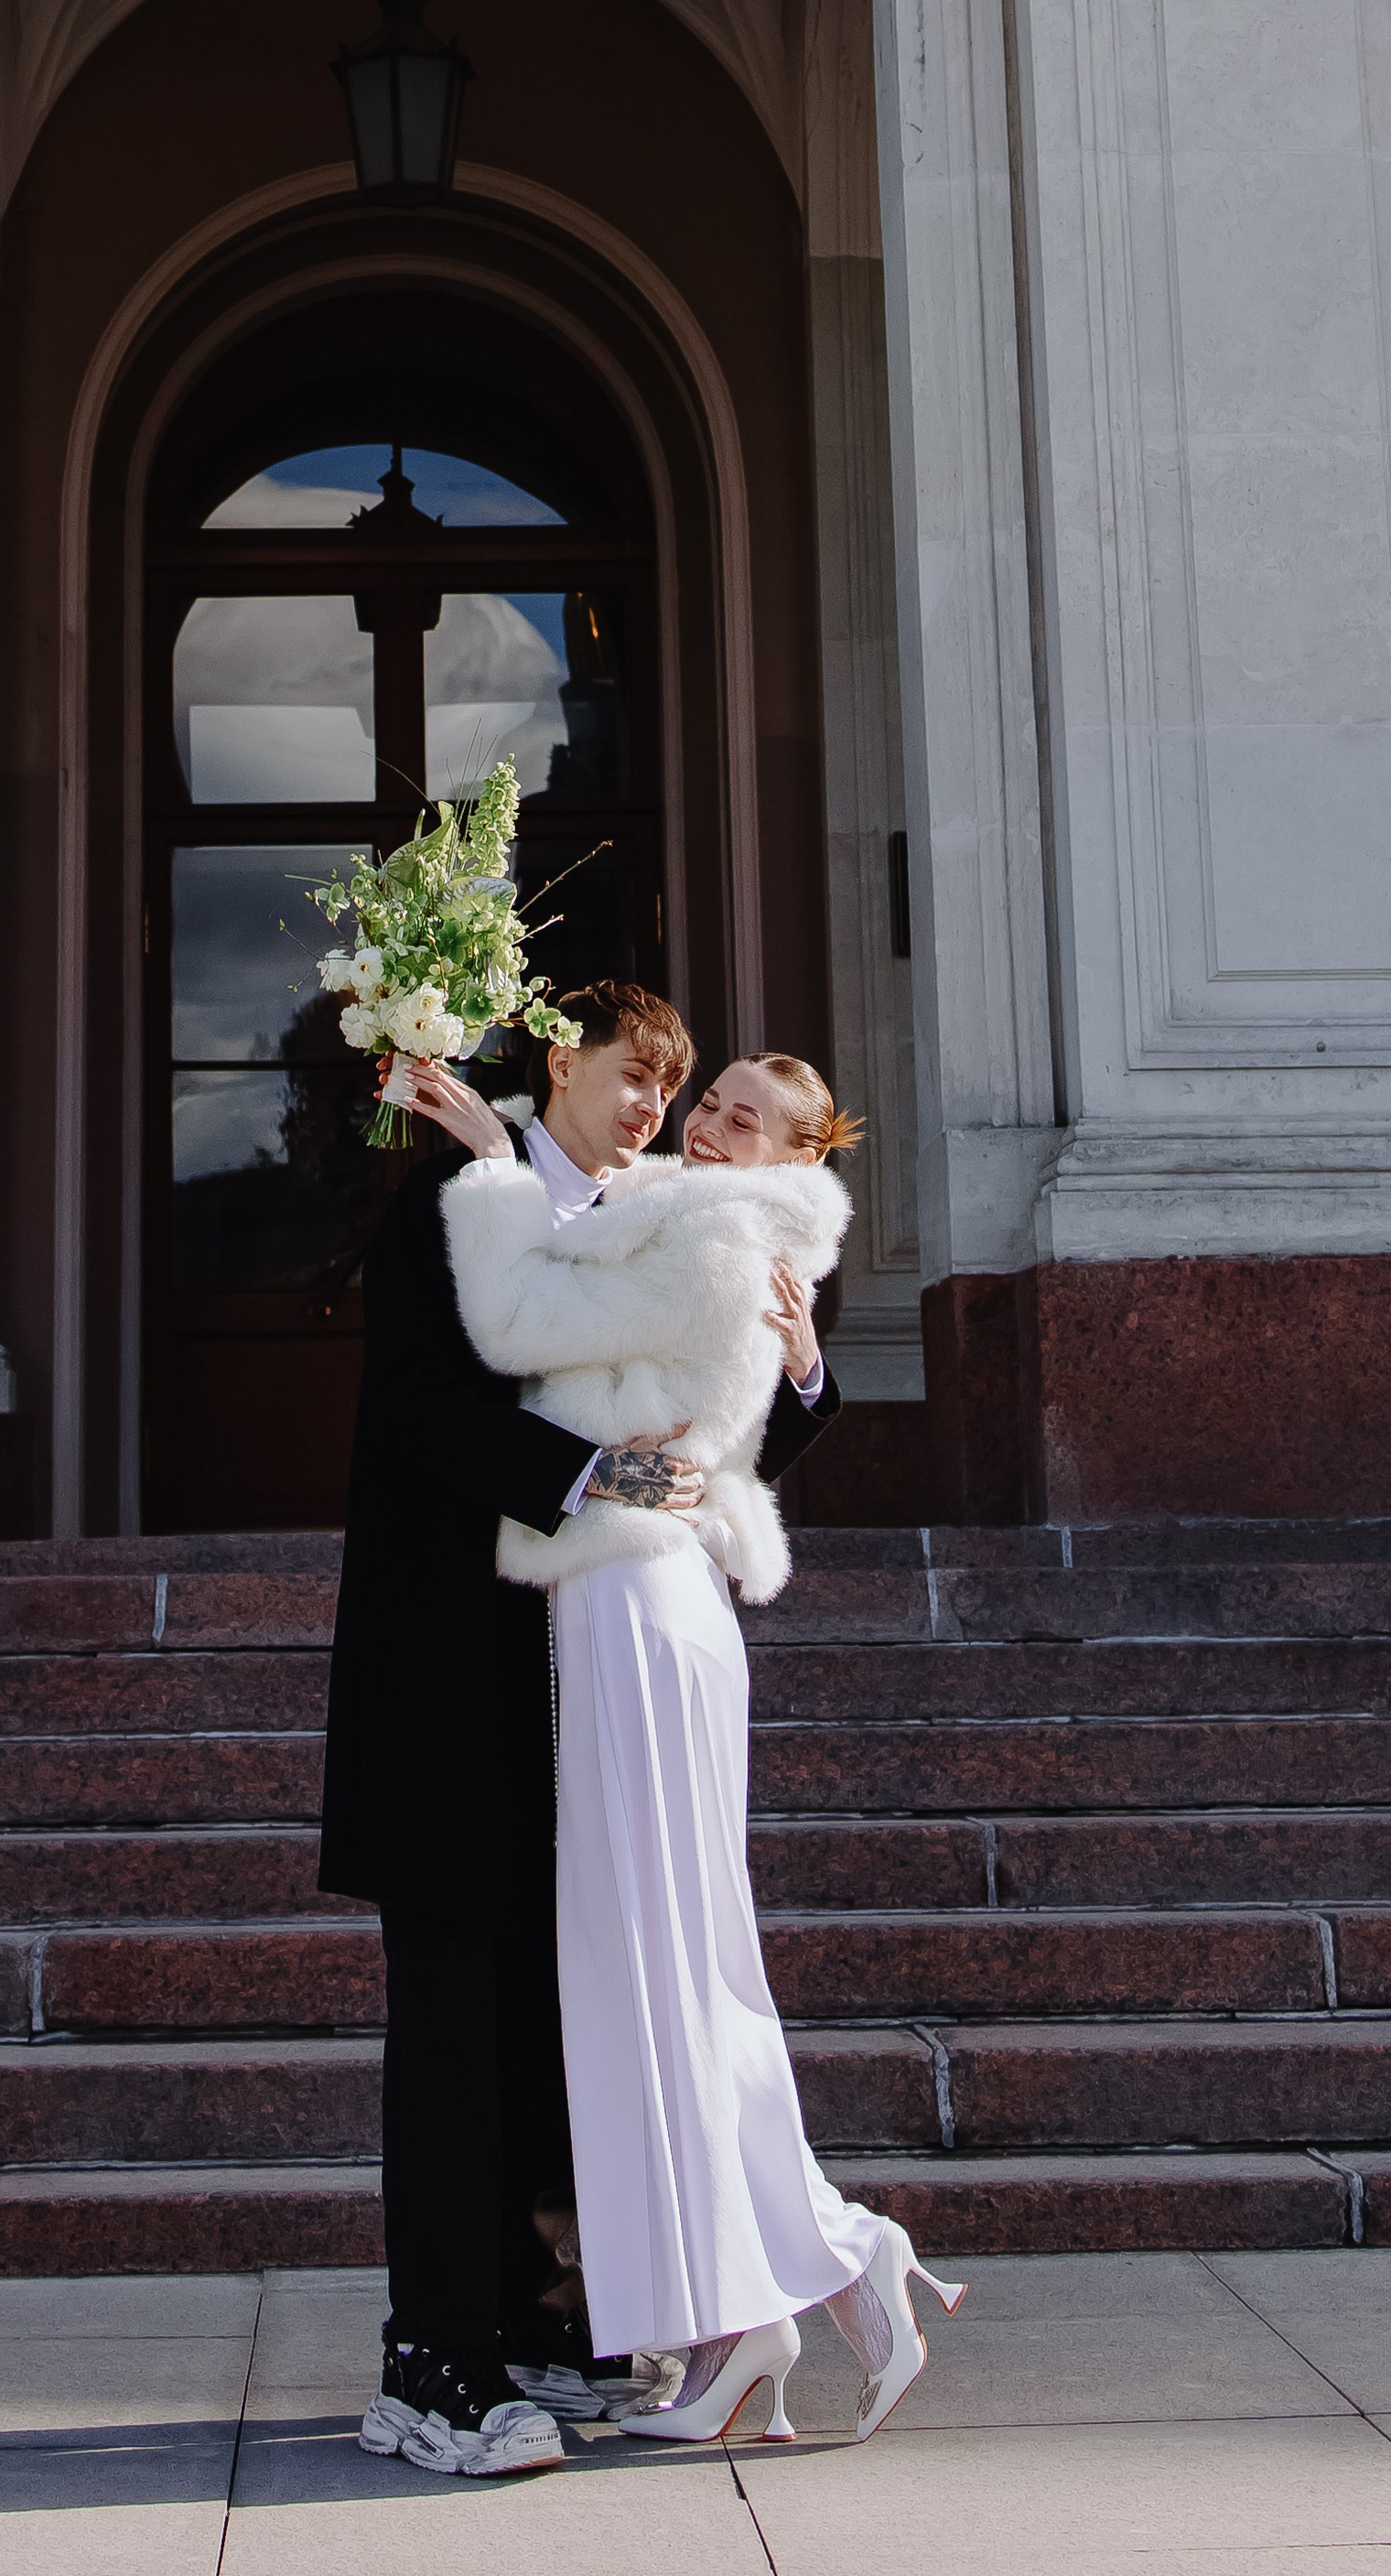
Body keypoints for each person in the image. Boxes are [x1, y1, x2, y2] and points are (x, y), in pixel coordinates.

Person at [321, 983, 838, 2480]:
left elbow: (715, 1424)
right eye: (637, 1074)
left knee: (573, 2009)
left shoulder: (663, 1217)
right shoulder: (449, 1212)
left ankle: (559, 2326)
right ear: (564, 1055)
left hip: (602, 1683)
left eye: (675, 1088)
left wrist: (798, 1367)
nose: (656, 1109)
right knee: (459, 2017)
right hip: (457, 1678)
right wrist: (597, 1476)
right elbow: (425, 1416)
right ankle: (435, 2362)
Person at [430, 1050, 966, 2447]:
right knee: (662, 1966)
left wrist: (486, 1153)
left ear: (800, 1156)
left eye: (751, 1116)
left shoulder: (723, 1224)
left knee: (659, 1964)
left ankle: (824, 2258)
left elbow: (514, 1316)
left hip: (637, 1594)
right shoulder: (704, 1219)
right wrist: (794, 1365)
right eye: (713, 1099)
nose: (713, 1122)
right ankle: (756, 2318)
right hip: (639, 1587)